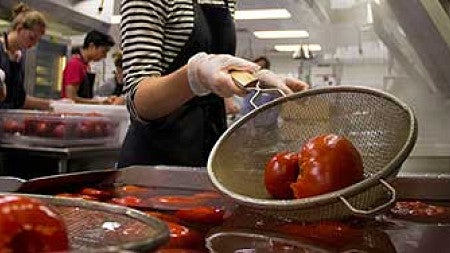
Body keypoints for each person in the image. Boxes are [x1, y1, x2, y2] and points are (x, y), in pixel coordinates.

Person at [118, 0, 309, 168]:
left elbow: (216, 64)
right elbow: (139, 102)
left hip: (211, 154)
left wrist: (254, 76)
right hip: (156, 162)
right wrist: (195, 75)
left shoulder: (227, 2)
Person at [0, 3, 51, 110]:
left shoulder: (18, 57)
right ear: (19, 29)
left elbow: (19, 99)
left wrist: (51, 104)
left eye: (37, 41)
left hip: (8, 121)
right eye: (31, 38)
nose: (33, 44)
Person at [61, 30, 115, 104]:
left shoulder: (86, 65)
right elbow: (71, 99)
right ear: (92, 46)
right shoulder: (75, 64)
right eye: (103, 51)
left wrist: (102, 100)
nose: (105, 56)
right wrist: (98, 102)